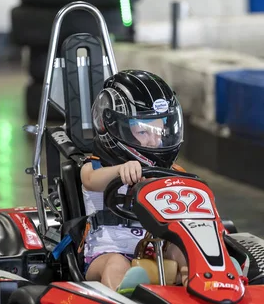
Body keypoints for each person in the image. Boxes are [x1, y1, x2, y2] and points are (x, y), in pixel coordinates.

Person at [79, 69, 189, 293]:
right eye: (144, 132)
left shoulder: (171, 172)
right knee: (116, 264)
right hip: (106, 252)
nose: (154, 140)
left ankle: (201, 284)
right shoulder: (95, 168)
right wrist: (121, 170)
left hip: (154, 248)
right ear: (115, 126)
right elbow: (91, 181)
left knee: (182, 252)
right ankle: (122, 292)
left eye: (158, 132)